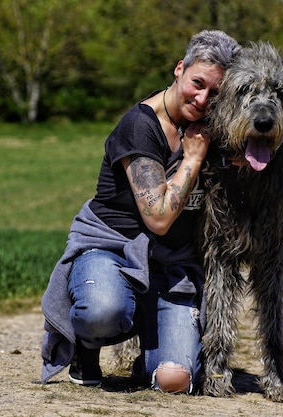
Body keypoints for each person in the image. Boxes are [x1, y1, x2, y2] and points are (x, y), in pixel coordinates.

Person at [40, 30, 241, 394]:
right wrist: (193, 158)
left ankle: (151, 344)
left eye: (217, 94)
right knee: (104, 311)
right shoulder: (140, 126)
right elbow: (159, 217)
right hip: (113, 250)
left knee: (174, 381)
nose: (203, 98)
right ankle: (86, 347)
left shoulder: (213, 127)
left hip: (171, 268)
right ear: (179, 69)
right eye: (198, 83)